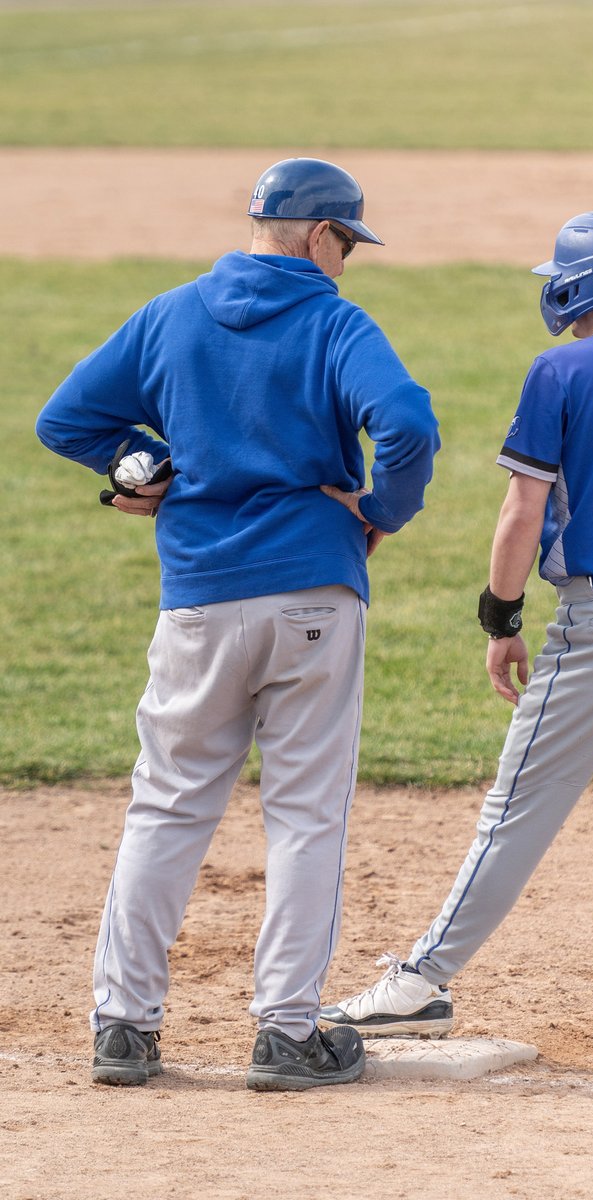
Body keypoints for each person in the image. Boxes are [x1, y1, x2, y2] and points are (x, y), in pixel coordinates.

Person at [36, 157, 440, 1091]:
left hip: (198, 597)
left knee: (167, 805)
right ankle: (287, 1034)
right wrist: (381, 511)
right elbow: (408, 424)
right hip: (312, 594)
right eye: (346, 243)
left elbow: (66, 421)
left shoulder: (170, 314)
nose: (346, 260)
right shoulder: (334, 322)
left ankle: (122, 1028)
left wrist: (145, 466)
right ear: (318, 235)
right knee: (305, 815)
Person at [318, 211, 593, 1075]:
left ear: (581, 286)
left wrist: (502, 616)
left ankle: (421, 983)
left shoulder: (561, 369)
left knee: (514, 809)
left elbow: (523, 511)